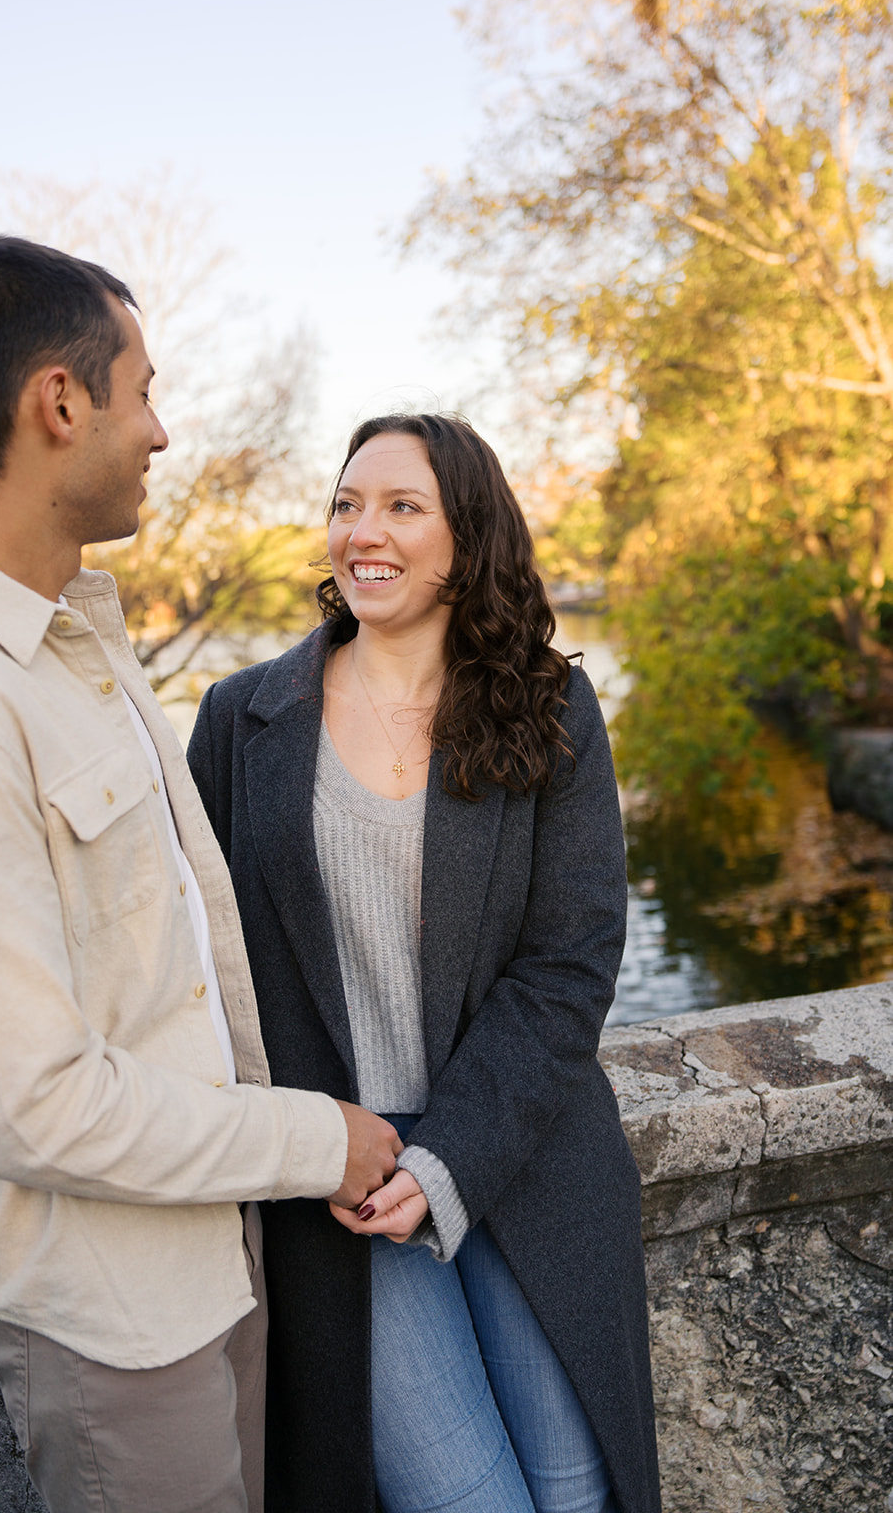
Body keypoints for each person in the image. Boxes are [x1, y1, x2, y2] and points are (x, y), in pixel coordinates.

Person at [0, 236, 403, 1513]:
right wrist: (319, 1140)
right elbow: (31, 1103)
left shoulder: (72, 632)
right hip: (113, 1318)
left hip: (213, 1250)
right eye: (141, 389)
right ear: (59, 401)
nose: (159, 429)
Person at [187, 413, 662, 1513]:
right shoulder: (239, 720)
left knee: (575, 1486)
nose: (366, 531)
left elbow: (568, 963)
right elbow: (197, 962)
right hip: (340, 1188)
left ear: (466, 537)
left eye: (403, 506)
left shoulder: (547, 707)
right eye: (348, 503)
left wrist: (445, 1158)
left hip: (521, 1146)